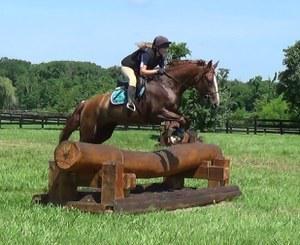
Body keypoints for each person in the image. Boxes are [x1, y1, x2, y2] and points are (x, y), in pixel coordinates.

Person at [121, 35, 171, 111]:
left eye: (167, 47)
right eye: (164, 47)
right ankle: (130, 102)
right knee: (133, 80)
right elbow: (142, 71)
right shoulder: (147, 53)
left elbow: (162, 70)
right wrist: (157, 70)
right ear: (157, 48)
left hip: (138, 69)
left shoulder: (161, 57)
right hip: (128, 67)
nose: (166, 49)